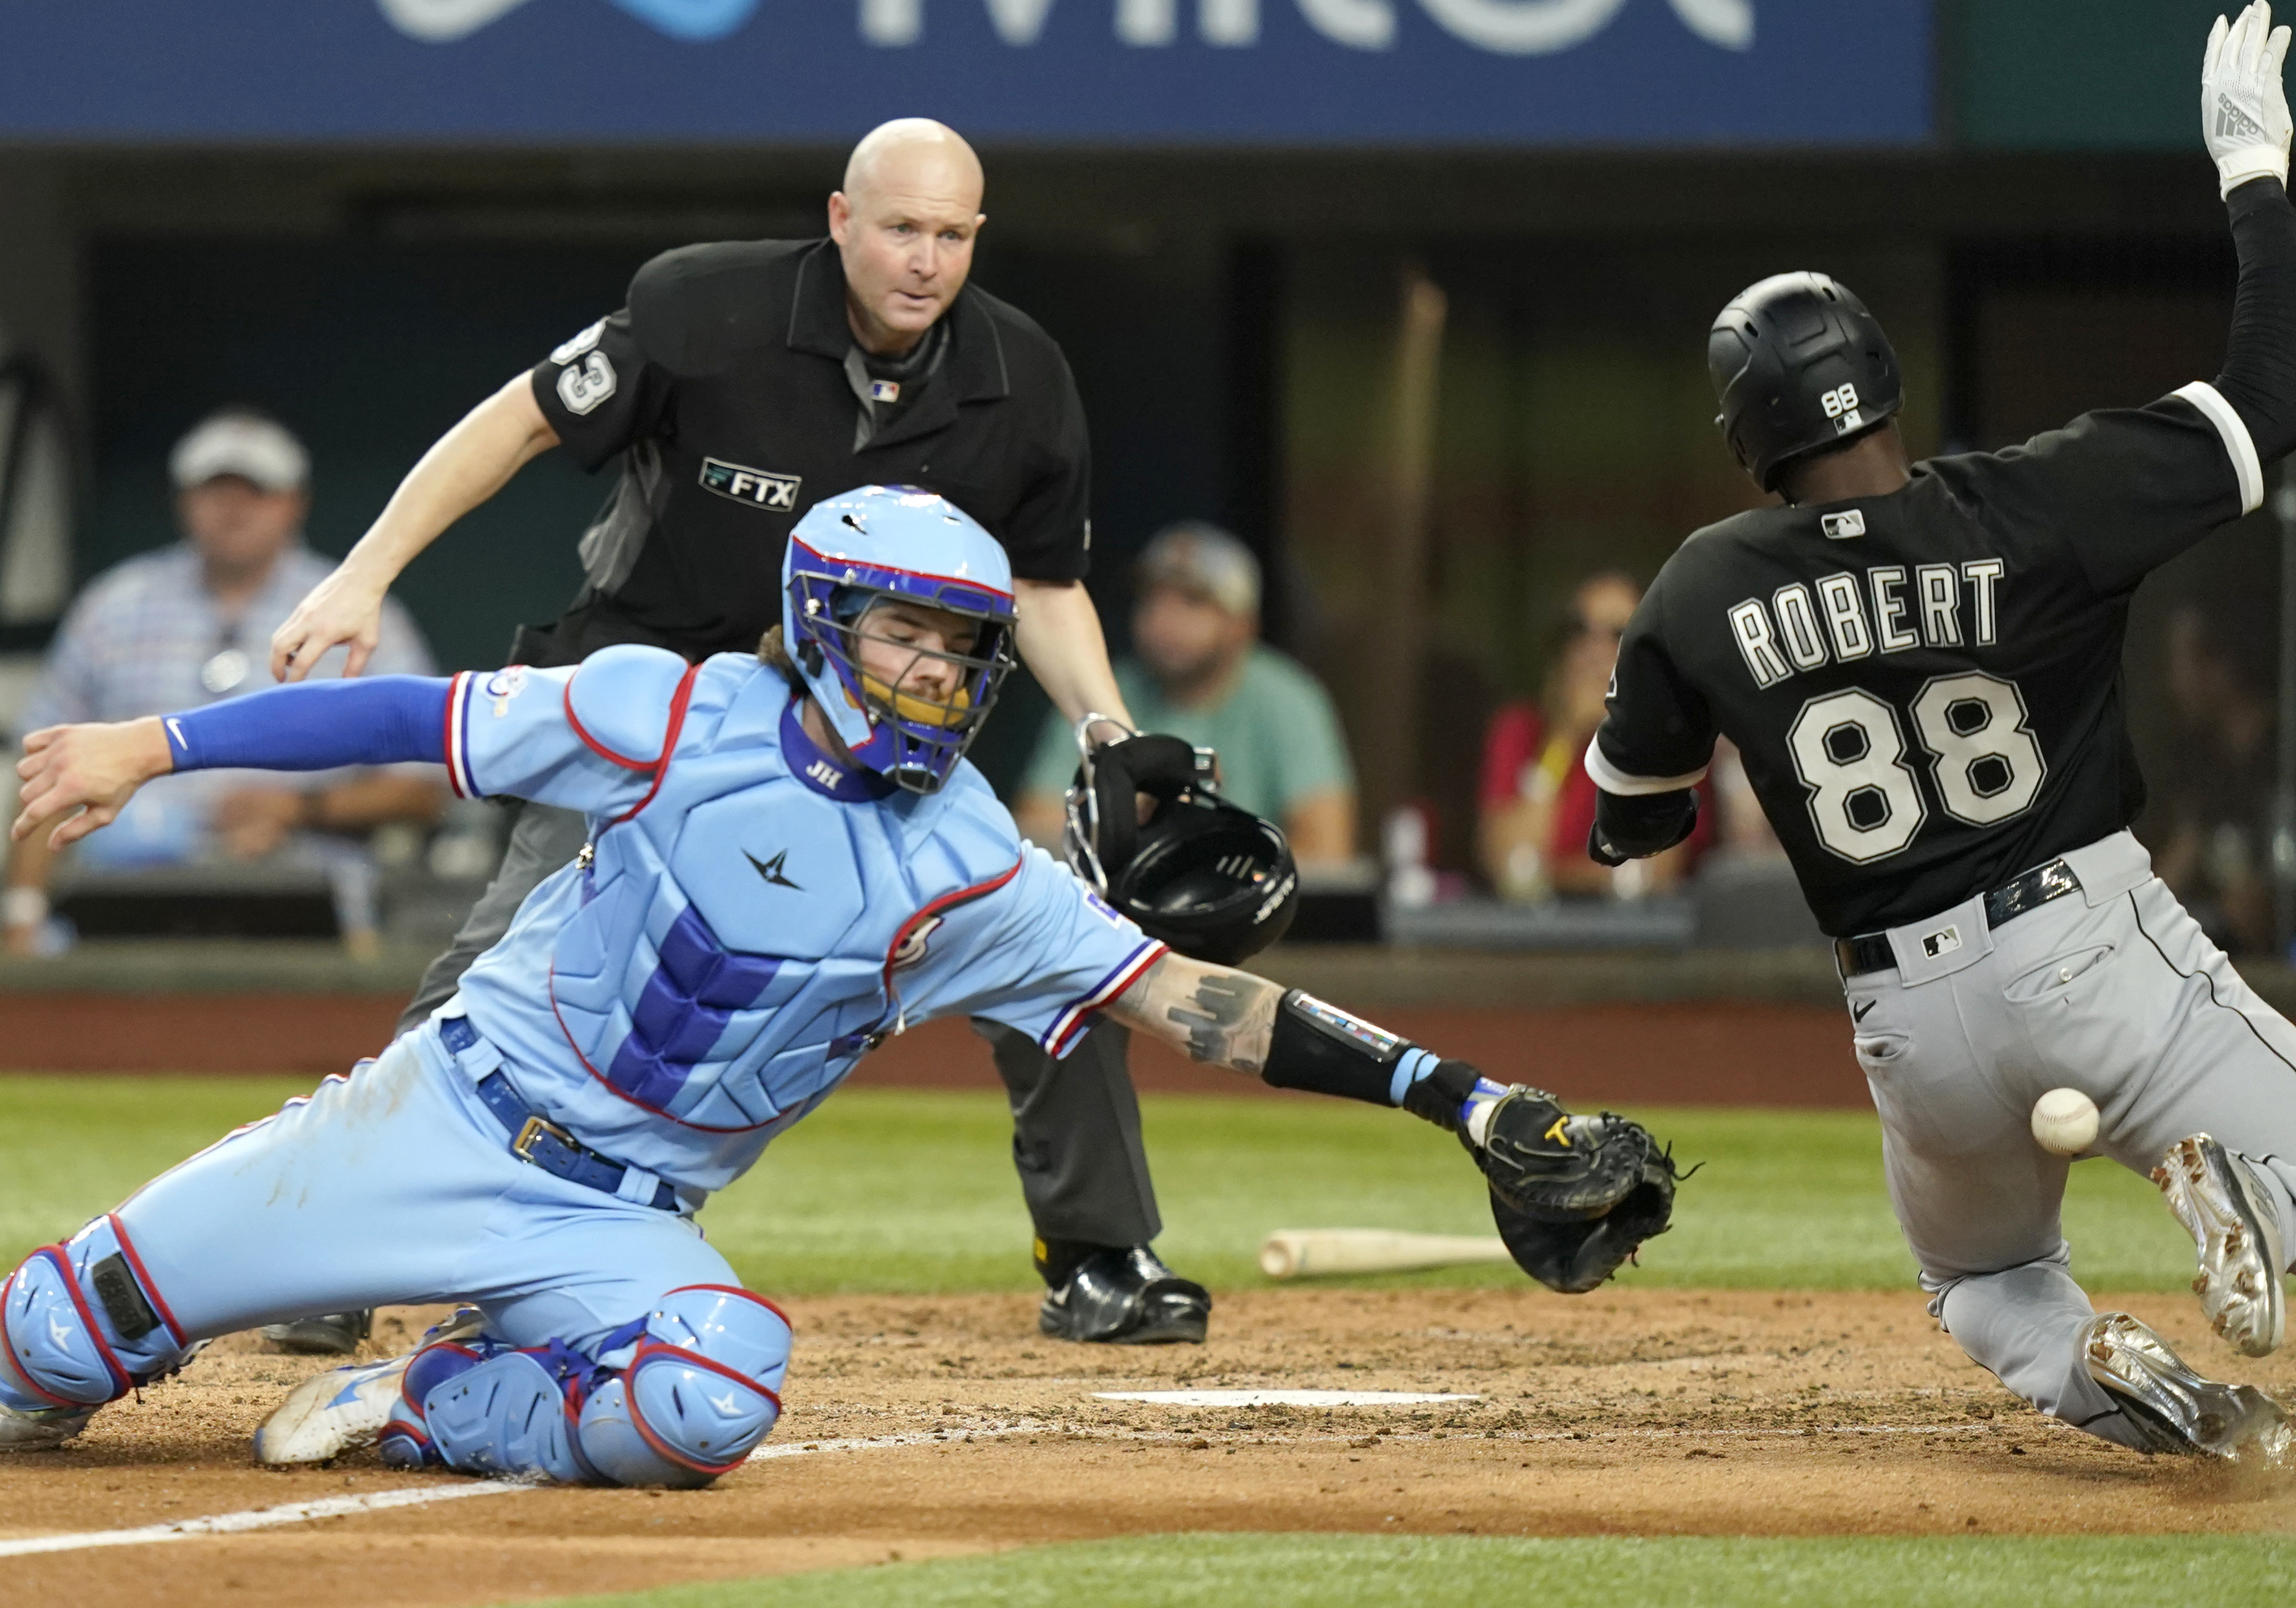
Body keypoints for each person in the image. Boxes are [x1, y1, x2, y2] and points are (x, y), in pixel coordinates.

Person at [0, 488, 1676, 1481]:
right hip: (422, 1121)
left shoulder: (975, 869)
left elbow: (1198, 1005)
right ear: (820, 620)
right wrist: (153, 742)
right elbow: (407, 720)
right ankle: (137, 1320)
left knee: (706, 1395)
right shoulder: (657, 711)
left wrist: (1467, 1098)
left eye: (960, 652)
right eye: (903, 637)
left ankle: (430, 1398)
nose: (935, 674)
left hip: (616, 1218)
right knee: (37, 1350)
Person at [261, 120, 1220, 1346]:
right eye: (900, 228)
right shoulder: (703, 310)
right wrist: (362, 574)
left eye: (950, 235)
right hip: (657, 694)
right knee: (506, 960)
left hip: (872, 723)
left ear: (976, 237)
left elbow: (1039, 582)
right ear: (840, 219)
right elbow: (520, 419)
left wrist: (1105, 727)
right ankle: (348, 1234)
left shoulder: (1022, 380)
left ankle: (1101, 1257)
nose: (924, 260)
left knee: (1047, 940)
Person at [1582, 3, 2296, 1461]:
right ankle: (2217, 1175)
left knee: (1979, 1275)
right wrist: (2255, 172)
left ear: (1747, 436)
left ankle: (2124, 1375)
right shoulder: (2039, 502)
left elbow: (1627, 823)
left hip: (1909, 1021)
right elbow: (2270, 397)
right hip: (2088, 945)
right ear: (1886, 384)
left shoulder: (1705, 579)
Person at [3, 409, 443, 961]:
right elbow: (43, 766)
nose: (233, 509)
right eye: (215, 490)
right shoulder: (113, 604)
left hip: (311, 905)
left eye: (255, 491)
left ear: (294, 503)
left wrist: (297, 809)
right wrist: (21, 913)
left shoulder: (356, 606)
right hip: (119, 895)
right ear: (183, 500)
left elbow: (427, 786)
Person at [1015, 522, 1355, 865]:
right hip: (1124, 902)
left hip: (1243, 907)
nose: (1165, 619)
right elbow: (1038, 825)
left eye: (1192, 601)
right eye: (1152, 598)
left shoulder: (1290, 699)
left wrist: (1205, 868)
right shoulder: (1102, 689)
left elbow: (1326, 851)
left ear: (1242, 623)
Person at [1475, 572, 1710, 900]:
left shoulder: (1673, 735)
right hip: (1531, 940)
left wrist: (1549, 875)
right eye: (1580, 631)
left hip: (1635, 942)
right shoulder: (1521, 730)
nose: (1594, 649)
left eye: (1617, 634)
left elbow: (1655, 872)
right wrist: (1564, 738)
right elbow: (1507, 860)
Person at [2150, 598, 2278, 953]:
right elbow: (2166, 888)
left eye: (2185, 660)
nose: (2175, 680)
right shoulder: (2198, 761)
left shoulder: (2283, 753)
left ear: (2225, 663)